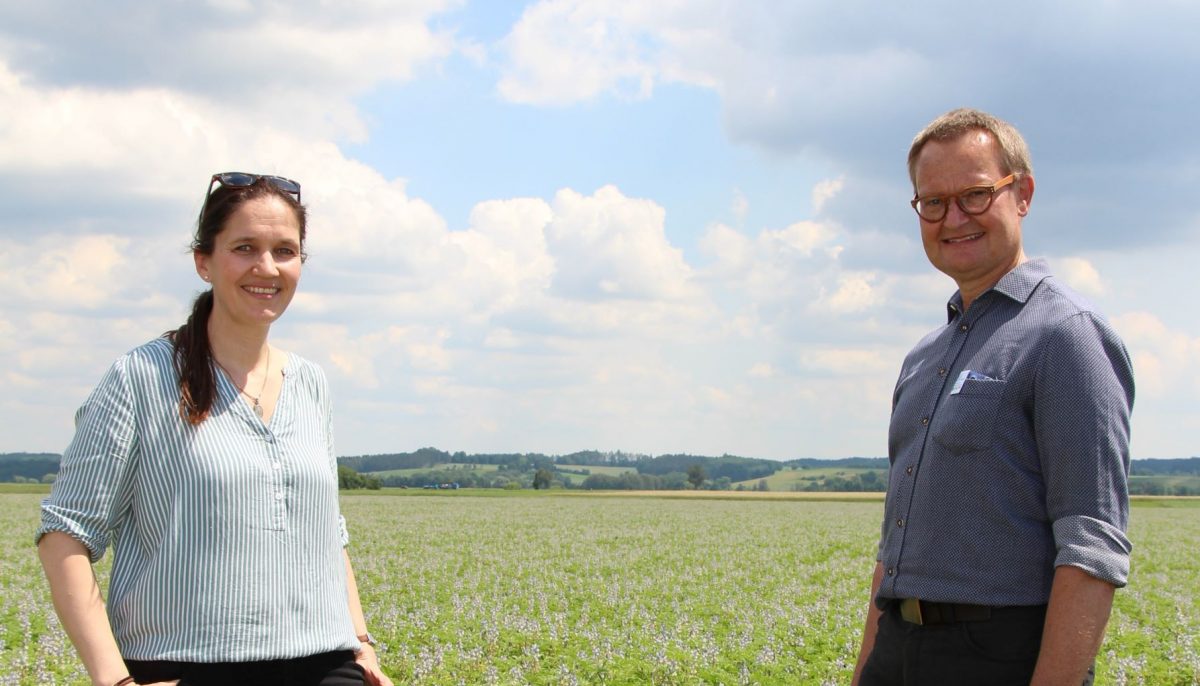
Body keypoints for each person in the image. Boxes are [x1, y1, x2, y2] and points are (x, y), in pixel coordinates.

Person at [37, 173, 393, 686]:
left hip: (326, 665)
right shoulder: (141, 377)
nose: (266, 267)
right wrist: (114, 681)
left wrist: (361, 644)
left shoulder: (310, 383)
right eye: (244, 247)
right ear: (204, 261)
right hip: (189, 667)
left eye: (284, 251)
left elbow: (327, 536)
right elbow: (64, 536)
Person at [851, 109, 1134, 686]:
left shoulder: (1066, 336)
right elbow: (894, 547)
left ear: (1022, 193)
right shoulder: (923, 357)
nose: (952, 218)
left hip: (999, 655)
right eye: (932, 203)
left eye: (975, 195)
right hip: (899, 647)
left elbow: (1091, 546)